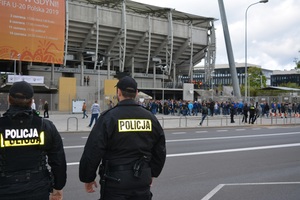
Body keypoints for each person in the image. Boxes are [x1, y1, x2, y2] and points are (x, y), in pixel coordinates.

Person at [79, 76, 166, 200]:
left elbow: (93, 149)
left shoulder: (109, 117)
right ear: (136, 93)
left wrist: (87, 178)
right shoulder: (150, 118)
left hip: (114, 181)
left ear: (118, 92)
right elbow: (160, 149)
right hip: (142, 178)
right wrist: (152, 173)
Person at [0, 81, 67, 200]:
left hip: (5, 189)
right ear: (31, 101)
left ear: (9, 100)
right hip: (38, 189)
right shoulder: (46, 126)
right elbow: (58, 161)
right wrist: (58, 187)